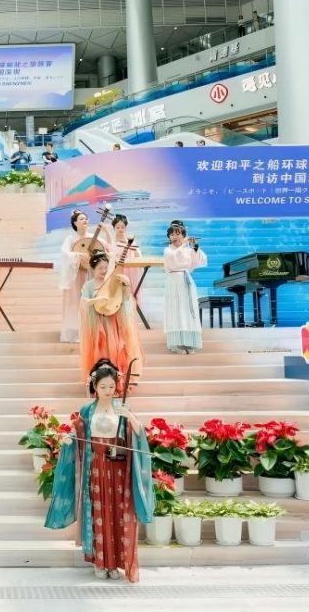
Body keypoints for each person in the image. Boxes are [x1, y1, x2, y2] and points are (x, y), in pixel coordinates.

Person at [45, 360, 154, 583]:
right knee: (98, 514)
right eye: (103, 386)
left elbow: (139, 433)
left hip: (118, 469)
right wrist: (69, 439)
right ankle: (101, 561)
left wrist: (130, 417)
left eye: (111, 386)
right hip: (95, 468)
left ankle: (115, 564)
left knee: (117, 514)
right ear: (94, 386)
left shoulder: (122, 407)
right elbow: (78, 431)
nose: (107, 391)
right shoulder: (87, 409)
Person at [79, 250, 143, 382]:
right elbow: (83, 303)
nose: (104, 271)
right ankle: (101, 382)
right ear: (93, 268)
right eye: (100, 268)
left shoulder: (112, 282)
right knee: (101, 351)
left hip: (114, 323)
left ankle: (117, 381)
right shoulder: (89, 285)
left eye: (106, 268)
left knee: (116, 350)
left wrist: (127, 285)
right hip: (98, 324)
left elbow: (125, 299)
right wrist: (97, 300)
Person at [57, 209, 111, 343]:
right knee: (77, 301)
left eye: (86, 218)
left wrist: (106, 231)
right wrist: (78, 255)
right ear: (75, 223)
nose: (85, 220)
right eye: (81, 219)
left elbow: (108, 248)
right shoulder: (71, 239)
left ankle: (93, 331)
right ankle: (77, 332)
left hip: (90, 274)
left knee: (92, 299)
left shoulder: (93, 237)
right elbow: (64, 254)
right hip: (76, 275)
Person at [163, 220, 208, 354]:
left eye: (178, 234)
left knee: (187, 310)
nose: (175, 237)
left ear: (183, 235)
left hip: (186, 281)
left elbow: (199, 261)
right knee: (175, 311)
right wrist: (183, 244)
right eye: (172, 234)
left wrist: (195, 247)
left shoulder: (187, 249)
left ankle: (189, 343)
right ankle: (177, 344)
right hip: (173, 282)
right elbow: (172, 258)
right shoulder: (168, 250)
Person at [110, 214, 144, 311]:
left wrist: (128, 242)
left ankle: (132, 313)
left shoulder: (130, 240)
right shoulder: (112, 241)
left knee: (132, 293)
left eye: (123, 227)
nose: (120, 229)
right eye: (118, 227)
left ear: (126, 227)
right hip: (117, 271)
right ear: (114, 228)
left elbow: (138, 256)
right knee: (118, 294)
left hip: (131, 271)